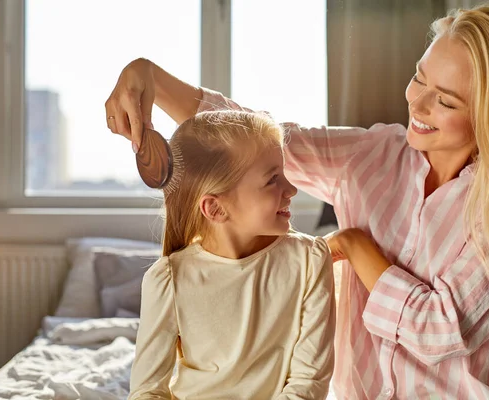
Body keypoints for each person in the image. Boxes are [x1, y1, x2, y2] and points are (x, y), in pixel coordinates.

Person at [107, 4, 489, 398]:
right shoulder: (372, 155)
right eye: (418, 78)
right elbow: (255, 142)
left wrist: (355, 244)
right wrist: (153, 78)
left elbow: (438, 329)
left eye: (443, 100)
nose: (416, 104)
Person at [127, 110, 336, 399]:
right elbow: (147, 391)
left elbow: (309, 381)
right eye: (272, 179)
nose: (291, 189)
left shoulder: (309, 260)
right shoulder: (169, 280)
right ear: (215, 208)